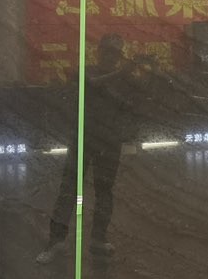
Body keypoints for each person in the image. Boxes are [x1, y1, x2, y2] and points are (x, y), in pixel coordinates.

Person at [36, 34, 137, 264]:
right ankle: (56, 241)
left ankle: (98, 239)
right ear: (100, 52)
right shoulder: (86, 72)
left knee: (104, 191)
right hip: (83, 138)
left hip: (109, 141)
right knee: (69, 189)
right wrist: (122, 74)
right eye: (108, 51)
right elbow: (91, 85)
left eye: (115, 53)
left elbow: (130, 106)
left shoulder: (123, 79)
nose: (111, 57)